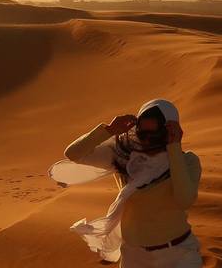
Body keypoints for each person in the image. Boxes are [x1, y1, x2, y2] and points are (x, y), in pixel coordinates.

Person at [55, 98, 203, 267]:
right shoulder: (123, 157)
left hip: (179, 254)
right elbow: (73, 154)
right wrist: (109, 130)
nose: (147, 140)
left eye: (154, 135)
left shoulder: (187, 161)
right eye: (143, 134)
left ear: (169, 130)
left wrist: (174, 147)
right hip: (135, 257)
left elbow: (184, 200)